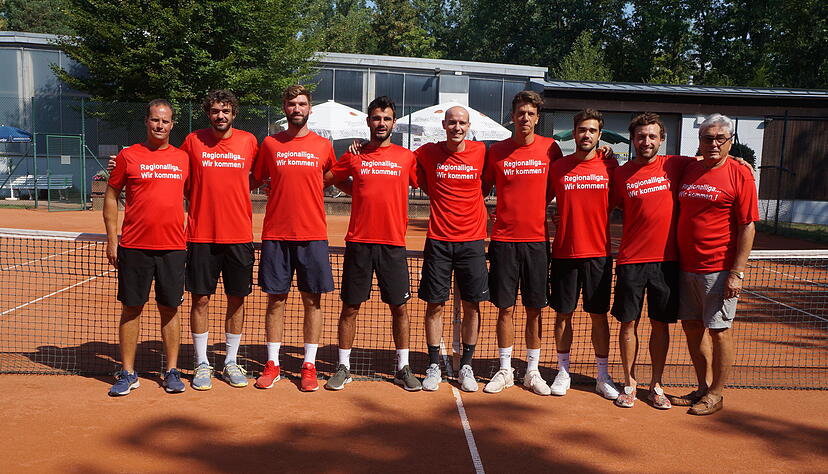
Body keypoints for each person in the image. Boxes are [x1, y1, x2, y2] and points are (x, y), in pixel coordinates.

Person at [322, 96, 422, 391]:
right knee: (350, 307)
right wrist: (354, 189)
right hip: (359, 243)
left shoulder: (406, 157)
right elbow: (327, 179)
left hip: (392, 244)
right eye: (376, 118)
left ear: (394, 123)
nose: (381, 123)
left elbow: (426, 182)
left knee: (400, 308)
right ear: (368, 122)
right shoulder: (354, 155)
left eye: (387, 118)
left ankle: (403, 368)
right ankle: (344, 367)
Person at [672, 113, 758, 415]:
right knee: (693, 328)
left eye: (721, 138)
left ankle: (717, 394)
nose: (714, 143)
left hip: (719, 269)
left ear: (730, 141)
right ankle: (702, 387)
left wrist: (737, 272)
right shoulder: (689, 169)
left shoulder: (740, 174)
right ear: (700, 141)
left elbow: (748, 226)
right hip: (685, 267)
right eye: (708, 138)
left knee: (719, 331)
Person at [609, 113, 696, 409]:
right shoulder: (621, 174)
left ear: (661, 139)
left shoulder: (676, 165)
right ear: (632, 140)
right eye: (641, 137)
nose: (646, 142)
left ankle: (656, 384)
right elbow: (605, 205)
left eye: (652, 137)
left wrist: (741, 162)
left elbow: (713, 160)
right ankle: (630, 383)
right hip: (631, 261)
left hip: (667, 262)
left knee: (661, 325)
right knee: (627, 324)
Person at [253, 85, 336, 392]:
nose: (297, 108)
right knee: (276, 300)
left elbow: (332, 175)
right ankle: (273, 363)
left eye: (302, 103)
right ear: (284, 108)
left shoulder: (324, 145)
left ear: (309, 108)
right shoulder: (271, 143)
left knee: (312, 301)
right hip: (276, 233)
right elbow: (257, 177)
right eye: (291, 104)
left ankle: (309, 365)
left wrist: (313, 186)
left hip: (313, 234)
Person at [104, 99, 189, 396]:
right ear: (146, 121)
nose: (160, 125)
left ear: (172, 124)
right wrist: (112, 240)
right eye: (155, 120)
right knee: (131, 309)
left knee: (170, 309)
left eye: (165, 121)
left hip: (173, 248)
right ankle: (127, 372)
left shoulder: (183, 158)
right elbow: (111, 195)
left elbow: (198, 194)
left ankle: (172, 371)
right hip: (134, 247)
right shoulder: (128, 156)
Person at [481, 90, 563, 395]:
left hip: (537, 242)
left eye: (530, 113)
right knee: (505, 309)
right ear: (513, 116)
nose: (525, 118)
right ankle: (505, 370)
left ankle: (531, 371)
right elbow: (481, 187)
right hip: (503, 241)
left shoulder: (550, 149)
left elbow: (559, 185)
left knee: (535, 309)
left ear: (537, 118)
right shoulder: (497, 151)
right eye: (520, 113)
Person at [178, 90, 259, 390]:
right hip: (200, 235)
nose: (220, 116)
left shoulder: (249, 141)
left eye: (225, 111)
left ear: (234, 113)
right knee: (200, 299)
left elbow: (258, 175)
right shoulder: (192, 141)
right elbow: (180, 178)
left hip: (239, 236)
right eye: (214, 111)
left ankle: (229, 361)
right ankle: (202, 363)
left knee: (236, 300)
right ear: (207, 113)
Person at [415, 105, 489, 392]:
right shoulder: (428, 152)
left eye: (462, 123)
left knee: (472, 305)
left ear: (468, 126)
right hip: (439, 241)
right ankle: (434, 364)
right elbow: (403, 165)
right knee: (435, 304)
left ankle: (466, 365)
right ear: (444, 125)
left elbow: (491, 182)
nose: (457, 127)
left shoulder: (482, 152)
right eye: (452, 123)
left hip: (472, 241)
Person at [547, 109, 620, 399]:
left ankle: (602, 376)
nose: (586, 135)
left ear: (599, 134)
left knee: (598, 316)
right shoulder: (558, 167)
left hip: (599, 253)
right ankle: (563, 371)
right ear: (574, 133)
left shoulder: (610, 165)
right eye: (581, 130)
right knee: (563, 314)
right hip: (564, 252)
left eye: (592, 130)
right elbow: (539, 198)